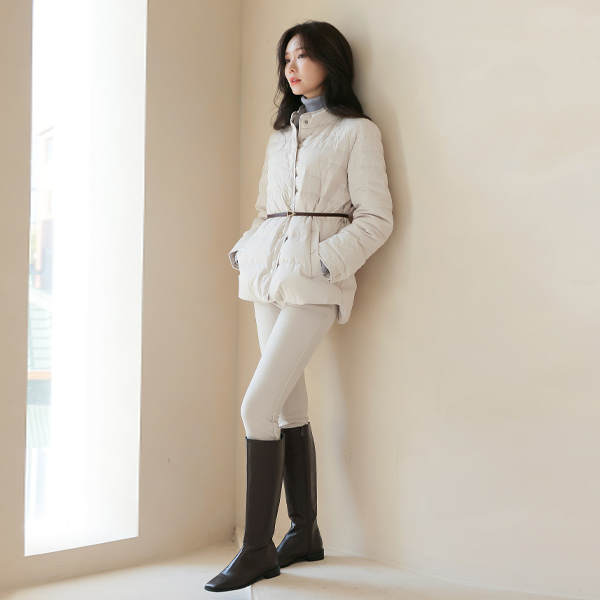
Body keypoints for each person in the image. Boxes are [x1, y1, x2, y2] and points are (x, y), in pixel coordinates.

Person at [205, 20, 394, 593]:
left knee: (255, 406)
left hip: (313, 283)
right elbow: (266, 211)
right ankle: (305, 532)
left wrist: (324, 263)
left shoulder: (357, 132)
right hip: (267, 275)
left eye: (304, 55)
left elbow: (376, 219)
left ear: (331, 62)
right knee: (288, 408)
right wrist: (244, 250)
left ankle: (257, 549)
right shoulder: (280, 135)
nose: (292, 66)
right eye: (286, 57)